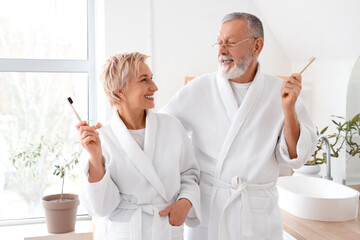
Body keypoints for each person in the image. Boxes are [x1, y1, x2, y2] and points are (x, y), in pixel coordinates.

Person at [161, 12, 317, 240]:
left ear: (257, 46)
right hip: (211, 211)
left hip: (258, 215)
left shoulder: (280, 93)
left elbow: (295, 157)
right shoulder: (198, 89)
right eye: (219, 43)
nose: (221, 51)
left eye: (231, 43)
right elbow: (161, 134)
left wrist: (289, 109)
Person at [77, 52, 201, 240]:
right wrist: (95, 157)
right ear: (120, 91)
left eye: (152, 78)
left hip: (166, 230)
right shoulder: (103, 139)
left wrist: (185, 203)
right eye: (144, 80)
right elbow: (100, 208)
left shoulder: (172, 126)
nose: (154, 87)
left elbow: (189, 175)